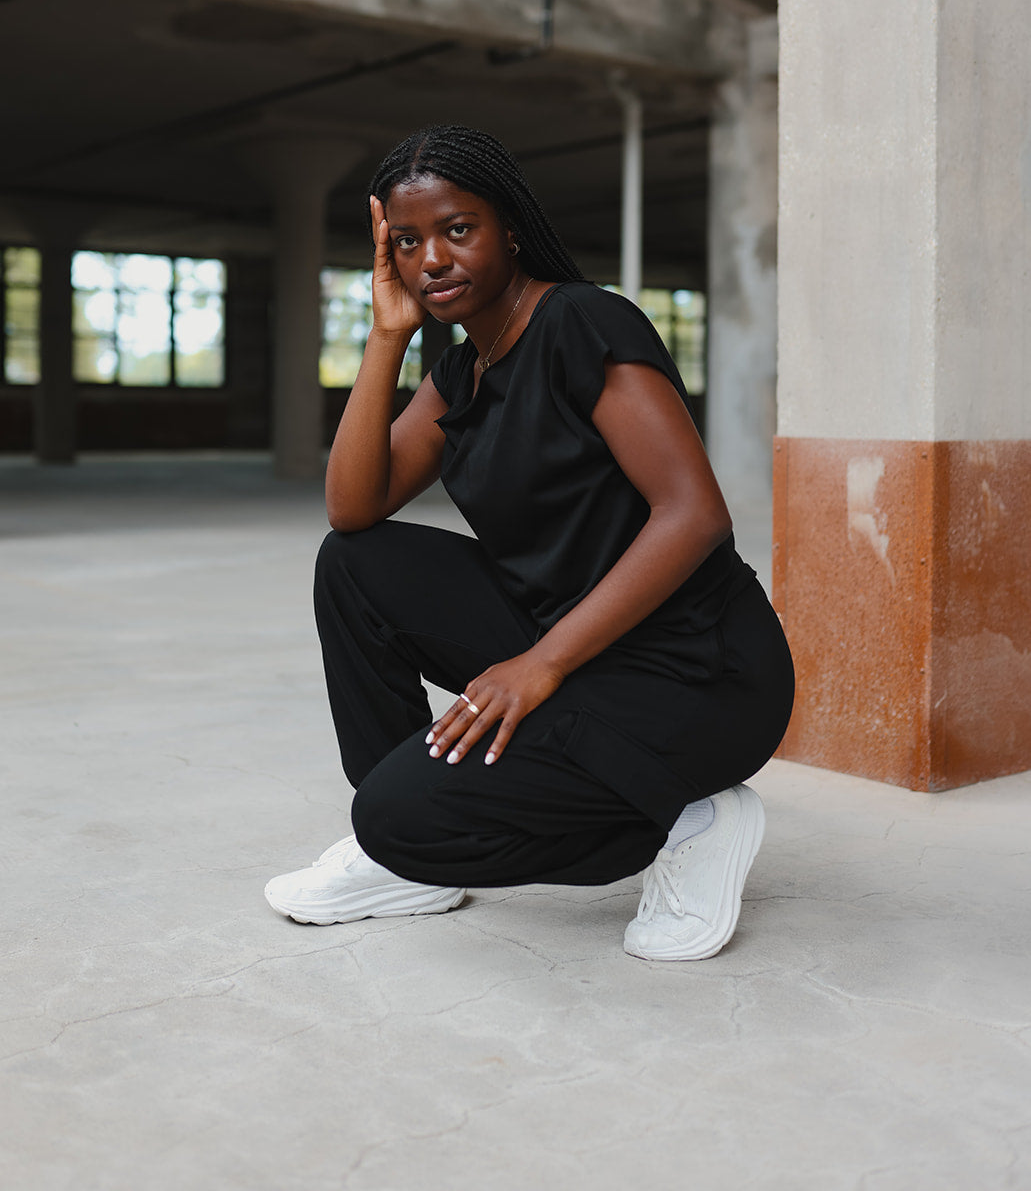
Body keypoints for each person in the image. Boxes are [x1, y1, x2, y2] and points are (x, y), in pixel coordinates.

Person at [265, 126, 794, 960]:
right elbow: (352, 509)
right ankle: (406, 864)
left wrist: (538, 664)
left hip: (698, 671)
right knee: (355, 567)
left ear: (509, 228)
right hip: (581, 646)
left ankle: (686, 816)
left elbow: (693, 516)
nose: (432, 258)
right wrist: (385, 337)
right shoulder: (460, 376)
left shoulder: (583, 322)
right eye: (407, 242)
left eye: (457, 228)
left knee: (396, 815)